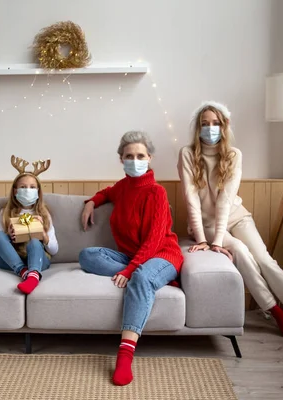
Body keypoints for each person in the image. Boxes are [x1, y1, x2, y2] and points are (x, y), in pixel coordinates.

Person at [177, 101, 283, 346]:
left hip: (237, 215)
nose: (210, 128)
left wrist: (219, 242)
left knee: (265, 260)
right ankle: (276, 313)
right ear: (197, 128)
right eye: (205, 124)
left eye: (215, 123)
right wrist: (205, 240)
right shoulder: (187, 153)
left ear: (224, 126)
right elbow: (191, 199)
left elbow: (226, 200)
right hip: (206, 224)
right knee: (241, 252)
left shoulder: (234, 155)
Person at [79, 131, 184, 386]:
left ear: (149, 158)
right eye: (129, 156)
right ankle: (144, 278)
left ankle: (125, 355)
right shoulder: (123, 187)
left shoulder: (157, 193)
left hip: (163, 254)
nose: (134, 160)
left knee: (141, 276)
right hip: (132, 257)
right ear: (121, 159)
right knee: (87, 256)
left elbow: (154, 240)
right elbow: (106, 193)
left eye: (140, 156)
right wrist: (91, 202)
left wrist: (130, 271)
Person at [0, 155, 58, 294]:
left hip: (38, 261)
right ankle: (25, 272)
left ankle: (32, 274)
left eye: (32, 187)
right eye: (23, 187)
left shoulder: (44, 214)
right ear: (15, 191)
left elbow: (54, 250)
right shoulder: (5, 212)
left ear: (38, 191)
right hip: (11, 261)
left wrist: (43, 235)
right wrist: (9, 235)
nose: (28, 190)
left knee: (34, 242)